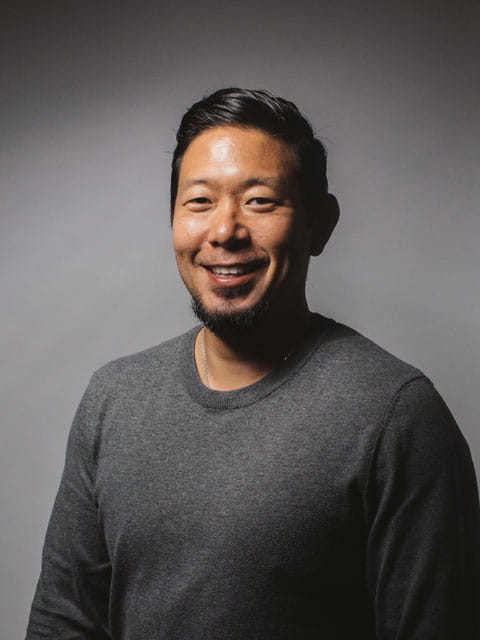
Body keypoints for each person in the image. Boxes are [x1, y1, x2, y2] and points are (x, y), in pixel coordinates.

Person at [26, 88, 480, 639]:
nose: (225, 231)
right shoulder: (113, 398)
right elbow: (62, 623)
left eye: (260, 201)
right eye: (199, 202)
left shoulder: (397, 416)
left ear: (320, 224)